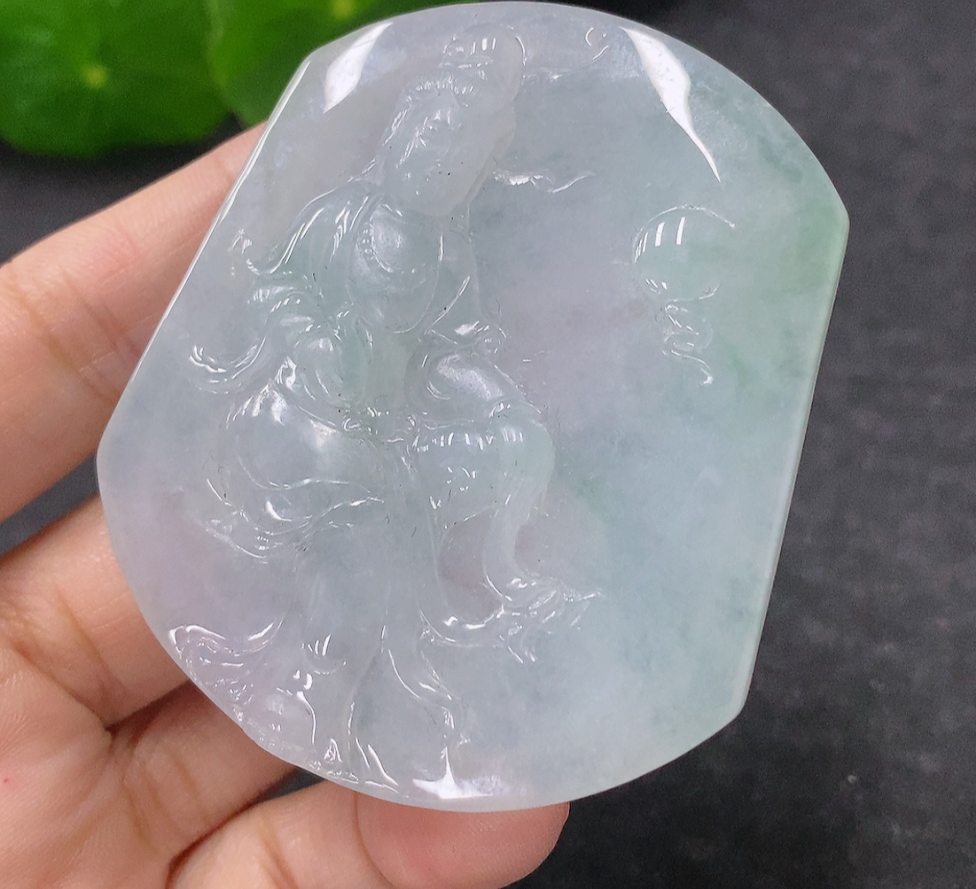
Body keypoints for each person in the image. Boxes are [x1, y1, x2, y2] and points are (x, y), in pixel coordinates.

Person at [0, 127, 568, 887]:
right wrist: (318, 344)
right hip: (294, 416)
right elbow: (269, 286)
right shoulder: (342, 217)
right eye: (435, 140)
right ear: (403, 141)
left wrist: (503, 413)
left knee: (459, 481)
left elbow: (447, 352)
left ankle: (346, 673)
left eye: (461, 156)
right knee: (379, 525)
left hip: (371, 426)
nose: (443, 163)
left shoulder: (446, 255)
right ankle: (324, 679)